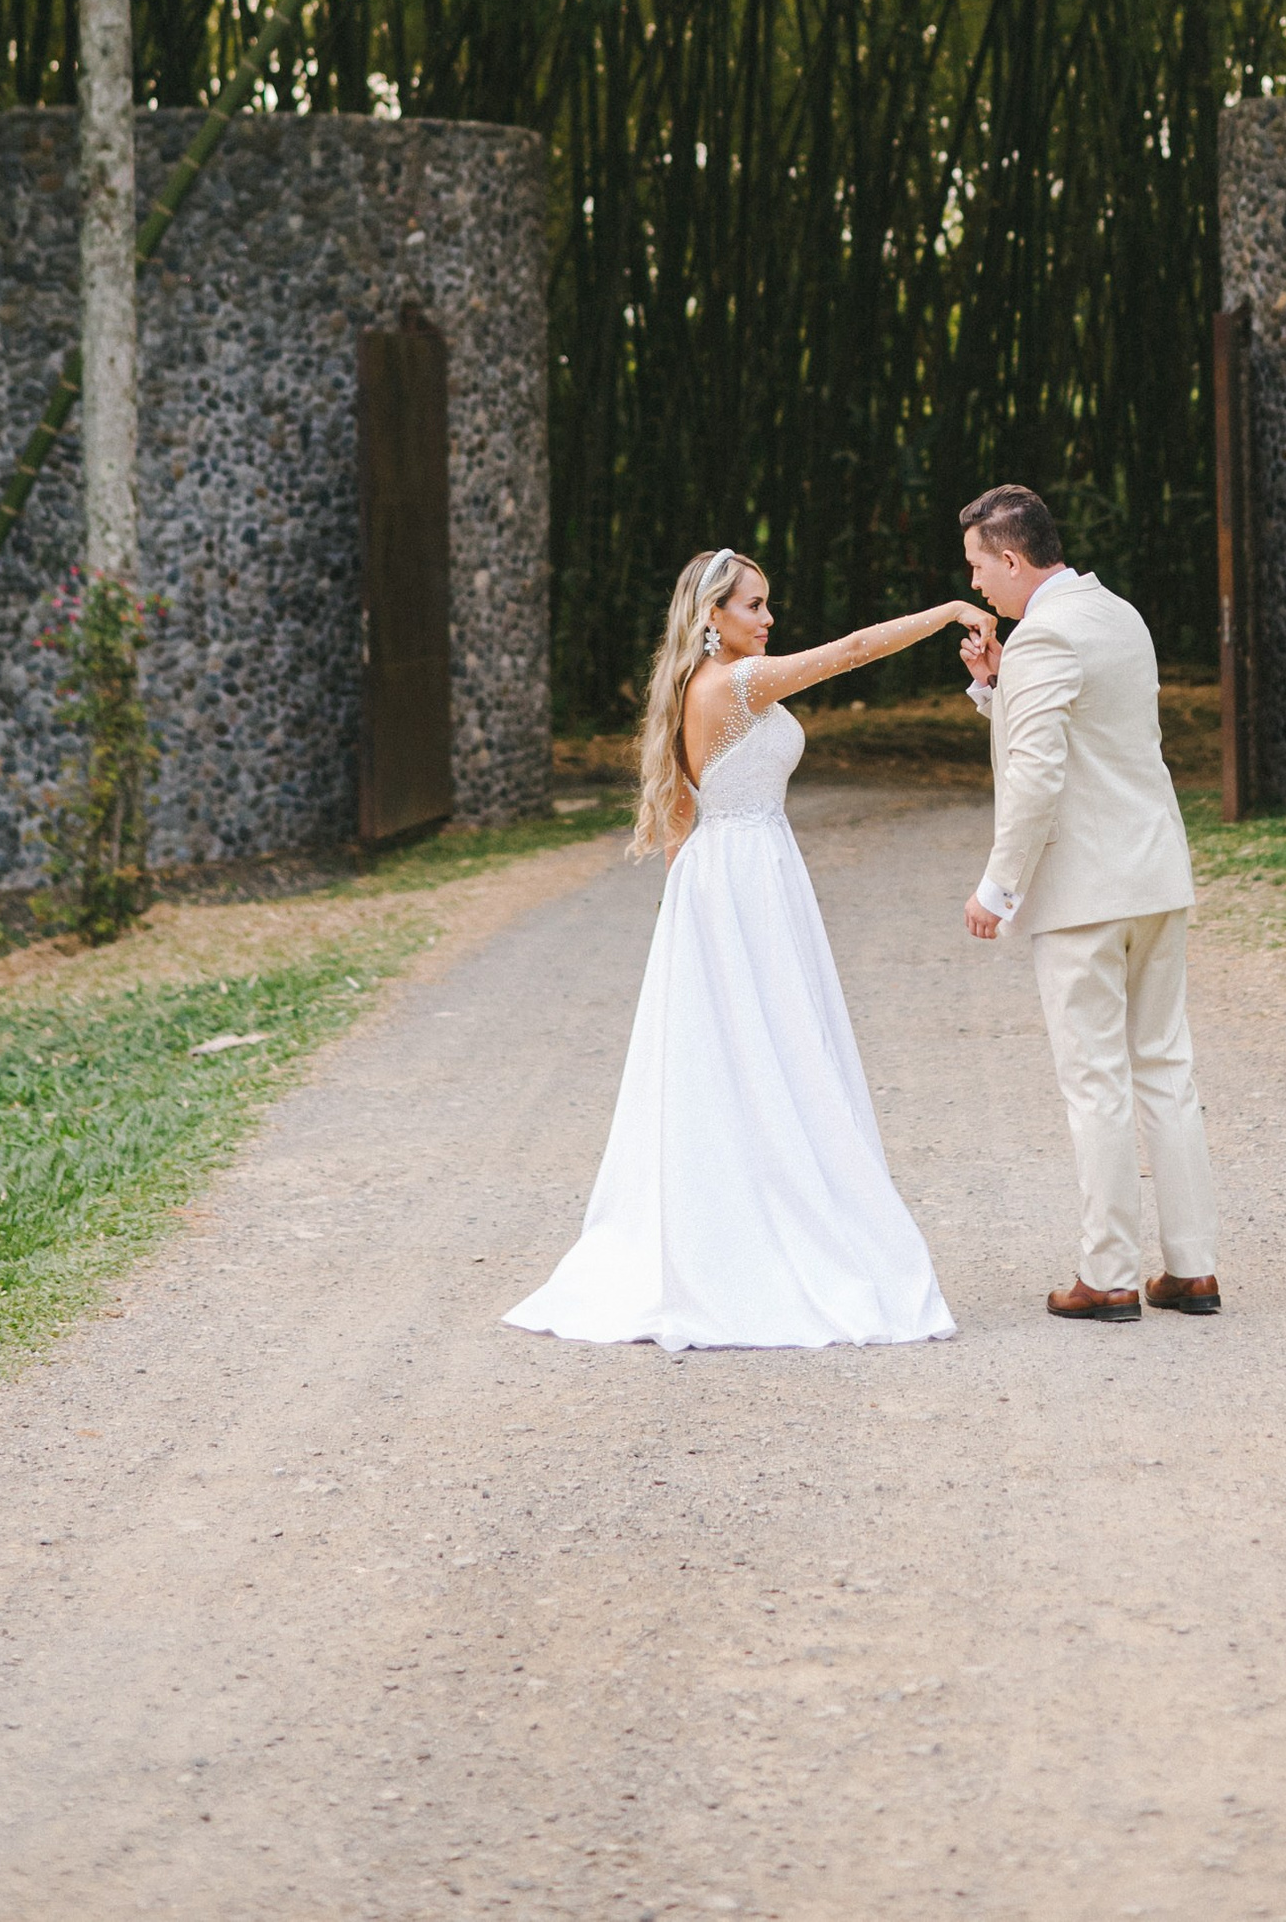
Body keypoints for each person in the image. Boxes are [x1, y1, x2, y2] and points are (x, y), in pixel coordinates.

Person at [506, 546, 990, 1354]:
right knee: (774, 1049)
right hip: (746, 878)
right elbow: (851, 653)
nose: (768, 620)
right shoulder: (732, 684)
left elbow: (679, 824)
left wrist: (685, 919)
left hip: (730, 879)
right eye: (755, 606)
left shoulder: (696, 688)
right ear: (711, 619)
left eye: (768, 605)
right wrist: (945, 614)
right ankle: (774, 1229)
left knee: (752, 1050)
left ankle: (757, 1203)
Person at [956, 483, 1221, 1324]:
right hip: (1155, 876)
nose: (976, 586)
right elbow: (1094, 731)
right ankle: (1192, 1268)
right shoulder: (1118, 615)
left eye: (977, 567)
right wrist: (996, 685)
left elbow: (1036, 775)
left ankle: (1107, 1275)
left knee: (1096, 1082)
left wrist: (999, 886)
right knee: (1166, 1072)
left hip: (1084, 896)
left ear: (1010, 556)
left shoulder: (1044, 637)